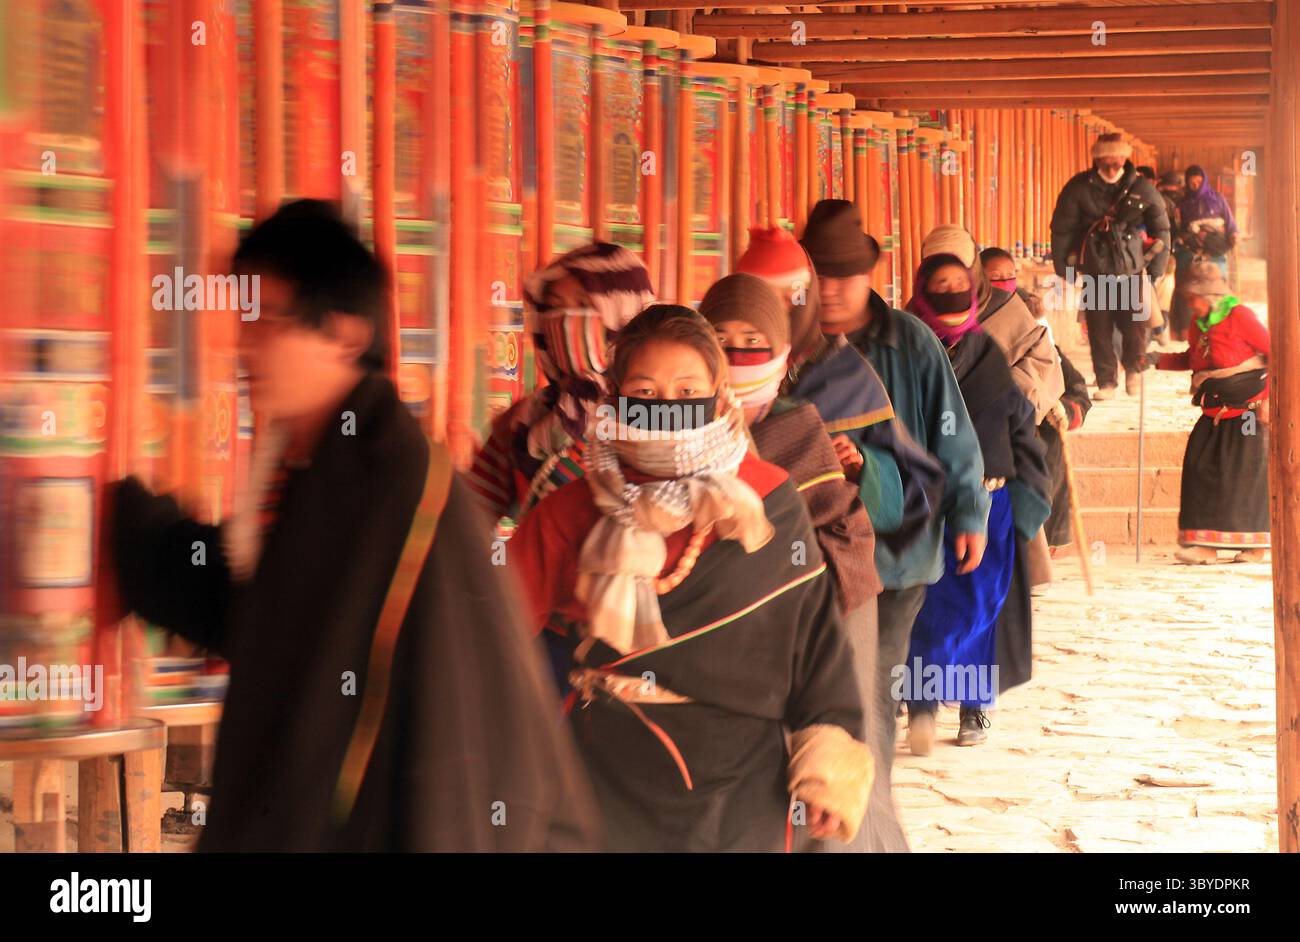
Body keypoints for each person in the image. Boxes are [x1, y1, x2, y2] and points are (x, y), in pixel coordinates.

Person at [104, 200, 600, 851]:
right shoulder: (324, 469)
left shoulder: (388, 489)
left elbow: (424, 745)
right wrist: (141, 535)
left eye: (267, 321)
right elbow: (269, 622)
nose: (244, 347)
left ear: (344, 333)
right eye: (242, 320)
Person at [508, 304, 874, 852]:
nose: (667, 409)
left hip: (743, 783)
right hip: (605, 775)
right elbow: (491, 630)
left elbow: (815, 638)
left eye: (686, 394)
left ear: (718, 395)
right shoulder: (569, 512)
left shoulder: (768, 498)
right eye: (646, 394)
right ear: (615, 398)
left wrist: (826, 765)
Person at [699, 273, 905, 853]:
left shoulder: (798, 423)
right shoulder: (684, 426)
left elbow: (848, 526)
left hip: (833, 604)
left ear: (782, 351)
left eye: (753, 340)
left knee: (828, 763)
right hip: (736, 629)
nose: (738, 355)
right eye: (720, 338)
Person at [799, 199, 989, 811]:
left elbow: (951, 430)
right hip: (813, 555)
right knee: (820, 689)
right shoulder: (792, 347)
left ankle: (867, 814)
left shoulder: (910, 341)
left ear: (871, 274)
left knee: (873, 684)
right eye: (818, 276)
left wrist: (967, 512)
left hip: (898, 549)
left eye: (843, 276)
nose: (829, 291)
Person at [902, 253, 1051, 751]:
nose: (948, 293)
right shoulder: (905, 358)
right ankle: (921, 705)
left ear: (974, 293)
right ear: (921, 292)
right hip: (922, 506)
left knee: (981, 610)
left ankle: (972, 705)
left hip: (991, 502)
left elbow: (1020, 426)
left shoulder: (989, 357)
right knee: (926, 609)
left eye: (956, 284)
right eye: (937, 285)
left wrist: (1031, 494)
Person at [467, 241, 654, 522]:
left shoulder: (662, 417)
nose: (566, 322)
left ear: (626, 314)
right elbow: (472, 519)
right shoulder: (522, 420)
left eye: (583, 305)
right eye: (554, 308)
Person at [1158, 262, 1269, 564]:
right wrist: (1155, 360)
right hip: (1213, 409)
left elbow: (1277, 352)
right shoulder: (1198, 324)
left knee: (1244, 472)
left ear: (1209, 296)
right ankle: (1205, 544)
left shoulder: (1240, 317)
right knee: (1199, 465)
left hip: (1247, 412)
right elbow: (1194, 360)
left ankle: (1254, 545)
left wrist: (1270, 400)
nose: (1189, 302)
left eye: (1193, 297)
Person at [1050, 132, 1170, 399]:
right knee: (1099, 328)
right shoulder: (1078, 188)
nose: (1112, 164)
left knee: (1136, 326)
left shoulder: (1141, 188)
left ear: (1125, 158)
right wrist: (1065, 271)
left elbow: (1162, 229)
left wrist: (1156, 270)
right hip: (1095, 268)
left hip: (1132, 268)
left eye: (1117, 158)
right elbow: (1062, 229)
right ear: (1097, 158)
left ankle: (1134, 371)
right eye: (1106, 158)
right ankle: (1106, 381)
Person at [926, 228, 1063, 424]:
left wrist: (999, 392)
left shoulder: (1007, 307)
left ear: (974, 268)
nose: (952, 288)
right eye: (939, 276)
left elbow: (1043, 365)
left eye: (960, 274)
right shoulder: (914, 318)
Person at [1170, 165, 1238, 343]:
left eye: (1199, 181)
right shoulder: (1182, 203)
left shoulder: (1218, 199)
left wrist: (1232, 235)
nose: (1195, 184)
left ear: (1204, 181)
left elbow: (1231, 223)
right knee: (1186, 287)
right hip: (1191, 249)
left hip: (1215, 248)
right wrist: (1192, 236)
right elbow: (1176, 229)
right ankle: (1185, 328)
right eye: (1192, 181)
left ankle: (1224, 324)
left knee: (1219, 284)